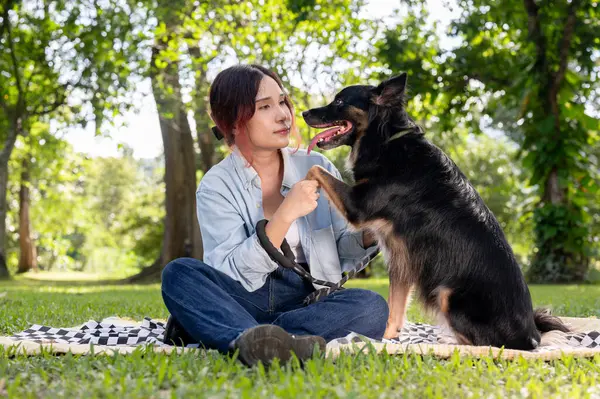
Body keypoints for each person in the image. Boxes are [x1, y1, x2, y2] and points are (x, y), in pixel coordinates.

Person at [161, 64, 388, 367]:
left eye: (282, 102)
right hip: (246, 296)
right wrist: (285, 215)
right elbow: (230, 275)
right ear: (233, 121)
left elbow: (342, 249)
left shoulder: (318, 165)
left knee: (371, 306)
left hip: (308, 299)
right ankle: (273, 339)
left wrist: (372, 231)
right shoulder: (216, 186)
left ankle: (242, 336)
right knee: (179, 274)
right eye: (265, 106)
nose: (283, 114)